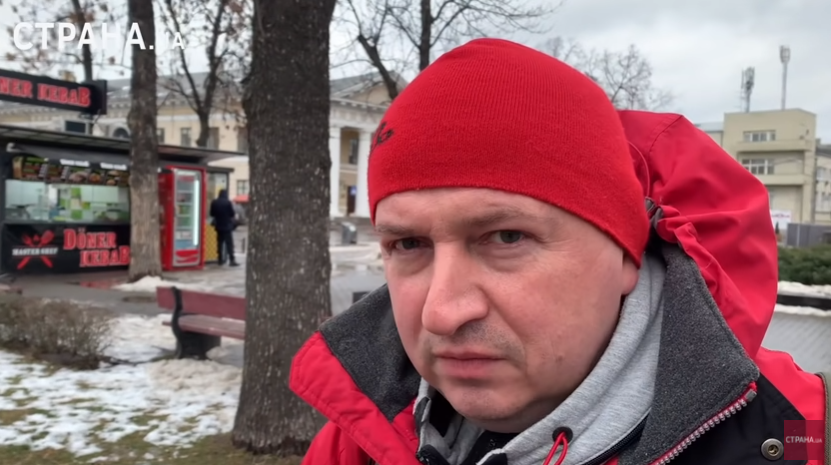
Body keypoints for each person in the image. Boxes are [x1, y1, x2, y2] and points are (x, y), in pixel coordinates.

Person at [290, 39, 829, 465]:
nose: (441, 312)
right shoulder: (358, 437)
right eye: (408, 244)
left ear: (626, 253)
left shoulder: (800, 434)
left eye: (506, 237)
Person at [209, 189, 239, 267]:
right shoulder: (228, 202)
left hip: (218, 225)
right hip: (227, 226)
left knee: (219, 243)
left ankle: (220, 259)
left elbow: (212, 214)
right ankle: (232, 260)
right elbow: (232, 214)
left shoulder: (214, 202)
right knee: (229, 244)